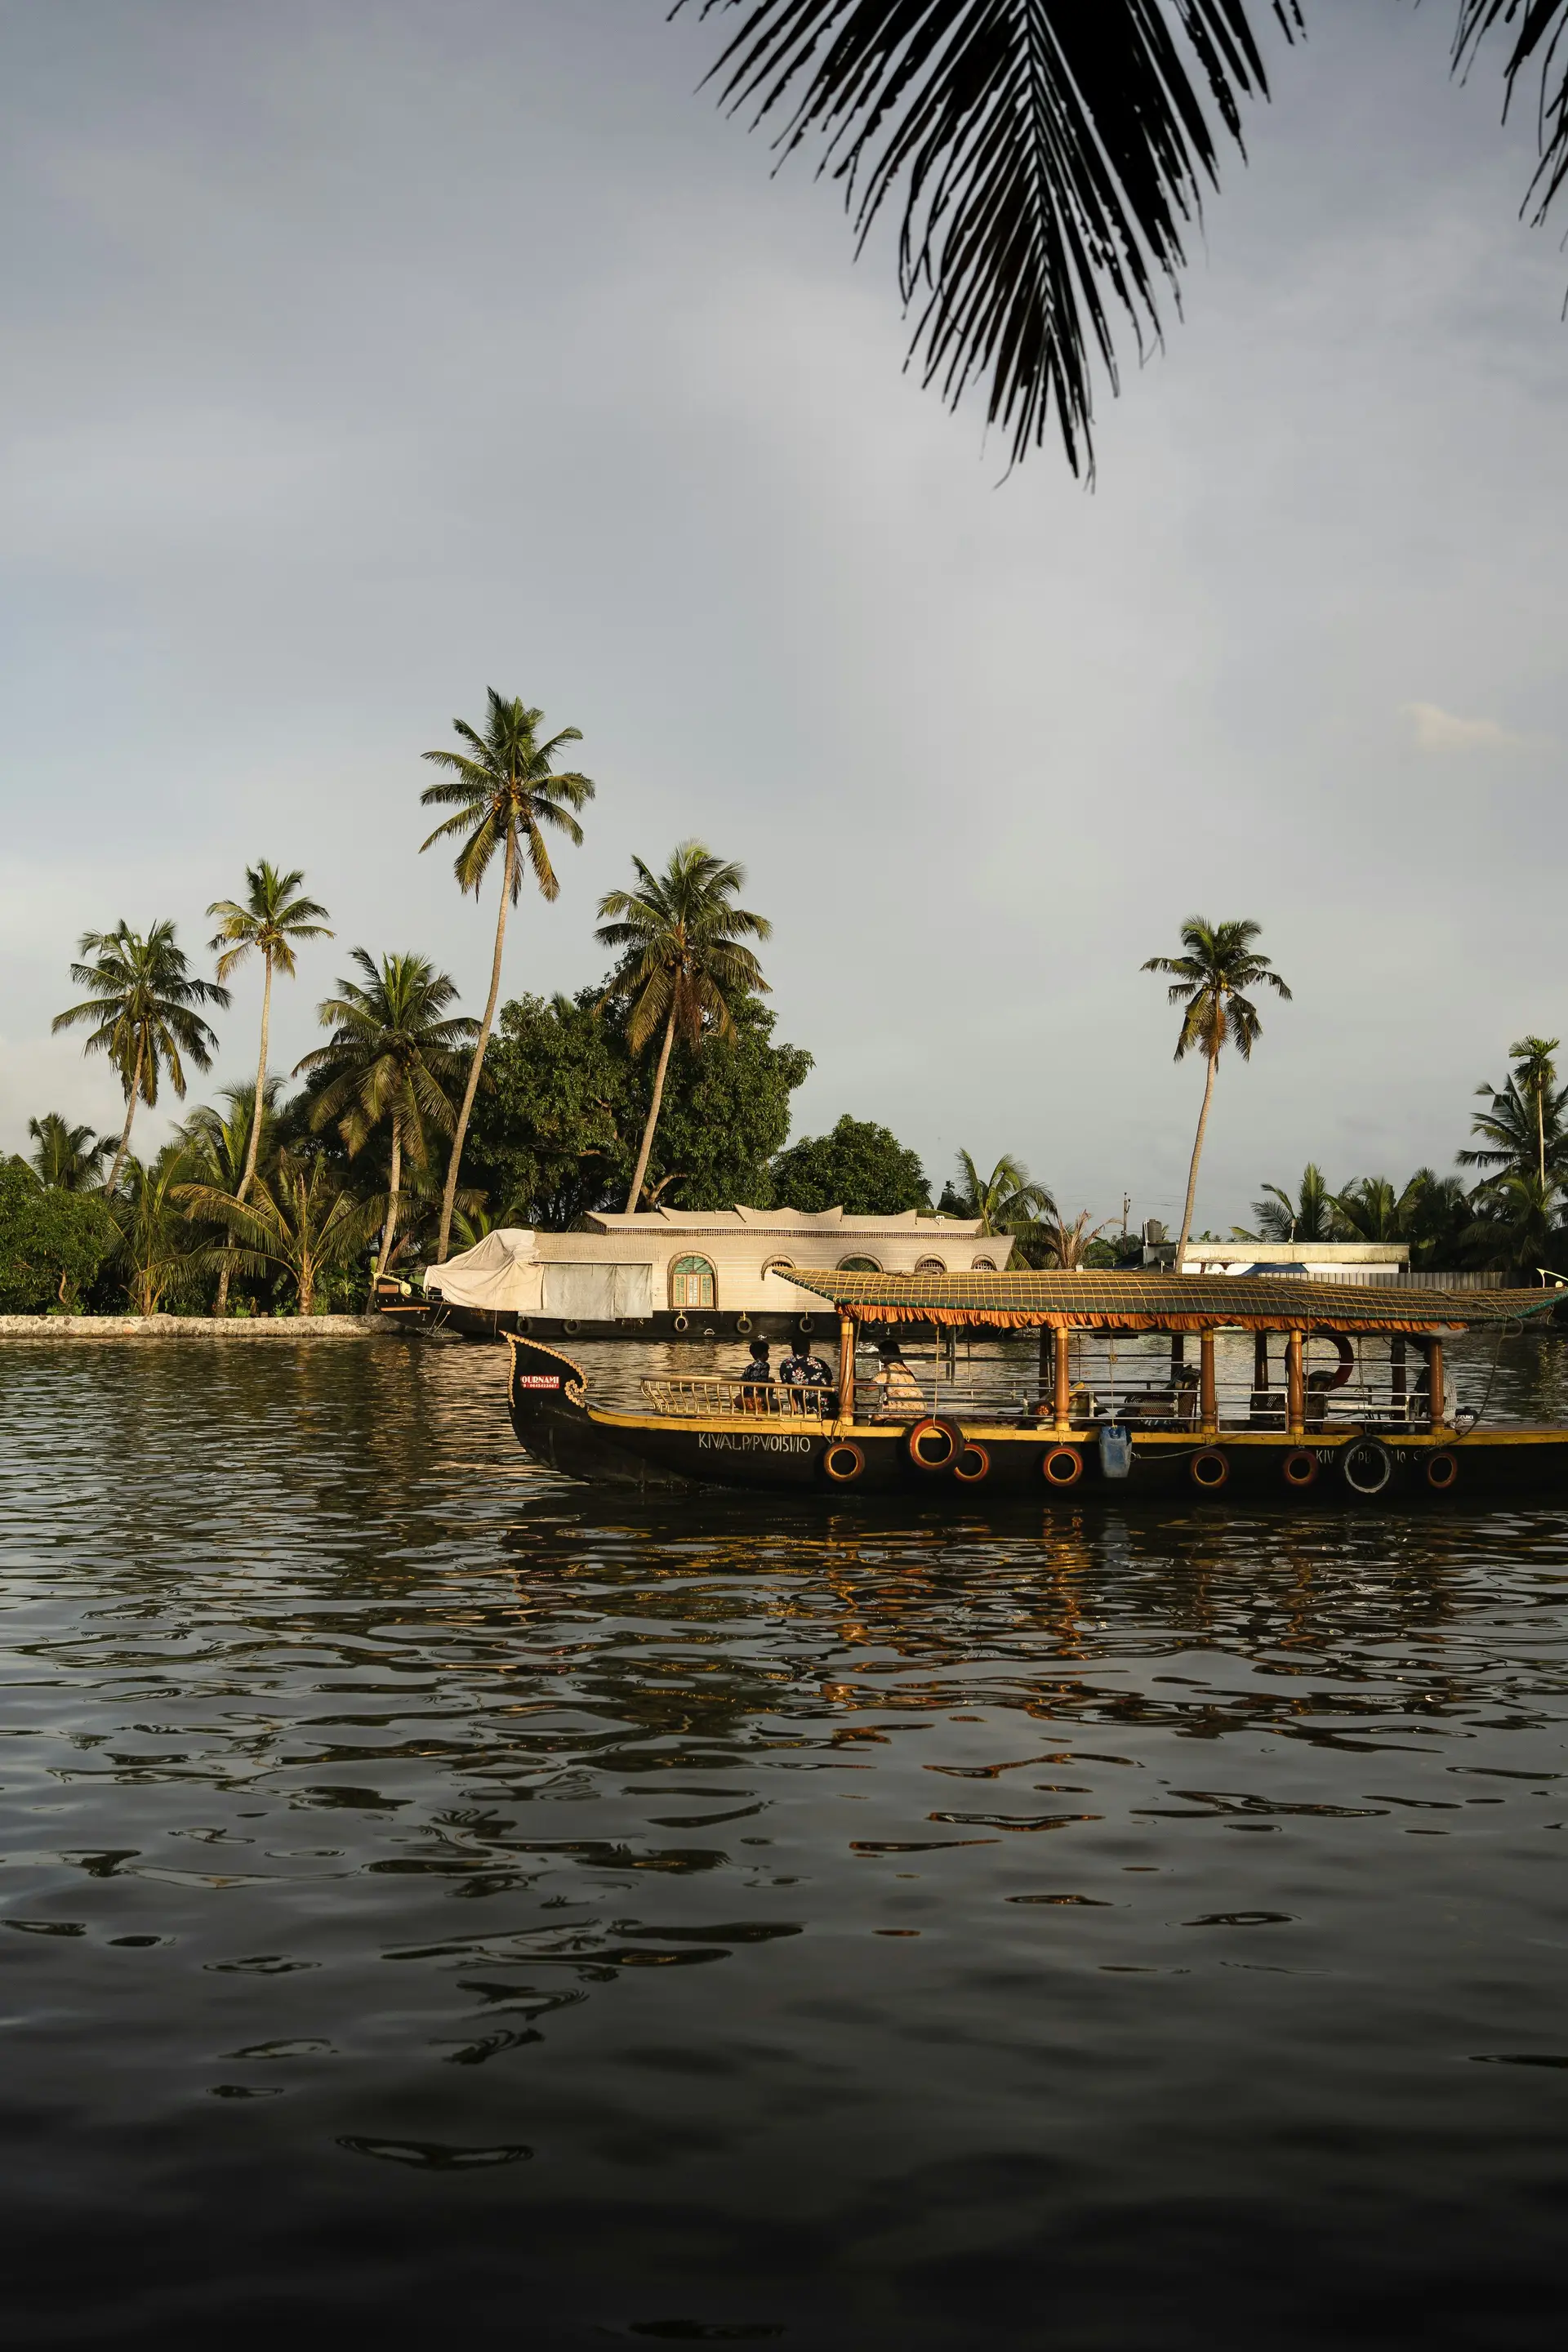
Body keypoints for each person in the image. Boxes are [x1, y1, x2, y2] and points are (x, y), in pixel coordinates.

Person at [871, 1339, 924, 1422]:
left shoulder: (889, 1368)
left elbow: (869, 1387)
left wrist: (853, 1381)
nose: (879, 1356)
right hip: (920, 1408)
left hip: (907, 1408)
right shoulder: (904, 1368)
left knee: (877, 1416)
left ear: (886, 1354)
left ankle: (875, 1434)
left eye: (880, 1353)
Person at [780, 1338, 835, 1412]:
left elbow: (789, 1390)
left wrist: (794, 1412)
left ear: (793, 1350)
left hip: (809, 1409)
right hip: (830, 1405)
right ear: (809, 1349)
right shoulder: (820, 1363)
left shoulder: (786, 1364)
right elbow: (830, 1382)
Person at [737, 1336, 774, 1412]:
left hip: (748, 1394)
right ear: (764, 1354)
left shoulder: (749, 1367)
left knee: (771, 1380)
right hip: (759, 1395)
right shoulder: (766, 1366)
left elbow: (741, 1380)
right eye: (767, 1352)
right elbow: (761, 1381)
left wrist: (743, 1394)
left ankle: (750, 1402)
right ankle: (762, 1402)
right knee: (778, 1405)